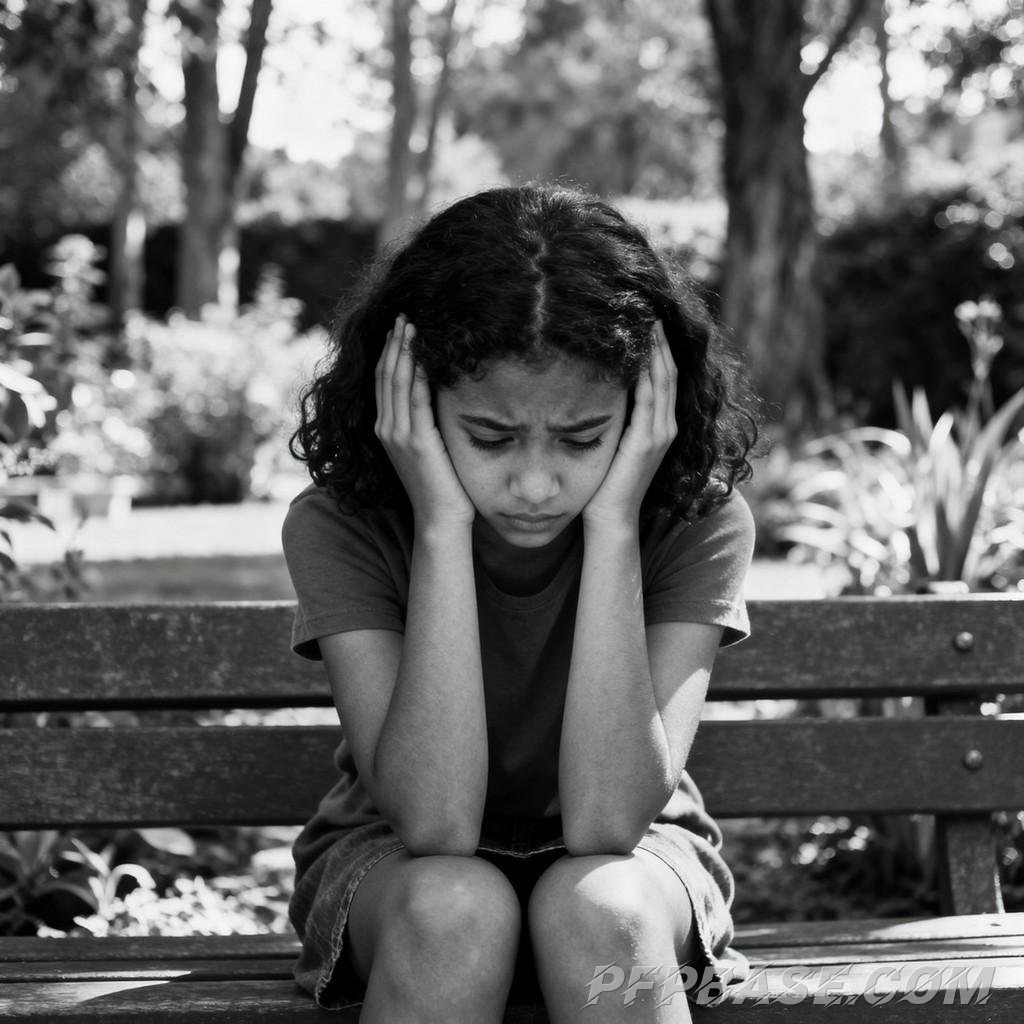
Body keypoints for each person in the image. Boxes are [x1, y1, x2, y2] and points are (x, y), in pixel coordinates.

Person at [282, 183, 760, 1023]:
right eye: (491, 437)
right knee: (454, 909)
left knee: (600, 907)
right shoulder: (342, 525)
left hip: (639, 860)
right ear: (413, 406)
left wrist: (614, 526)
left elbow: (609, 823)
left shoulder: (696, 521)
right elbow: (434, 825)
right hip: (395, 861)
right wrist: (440, 526)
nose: (536, 485)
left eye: (582, 438)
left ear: (647, 410)